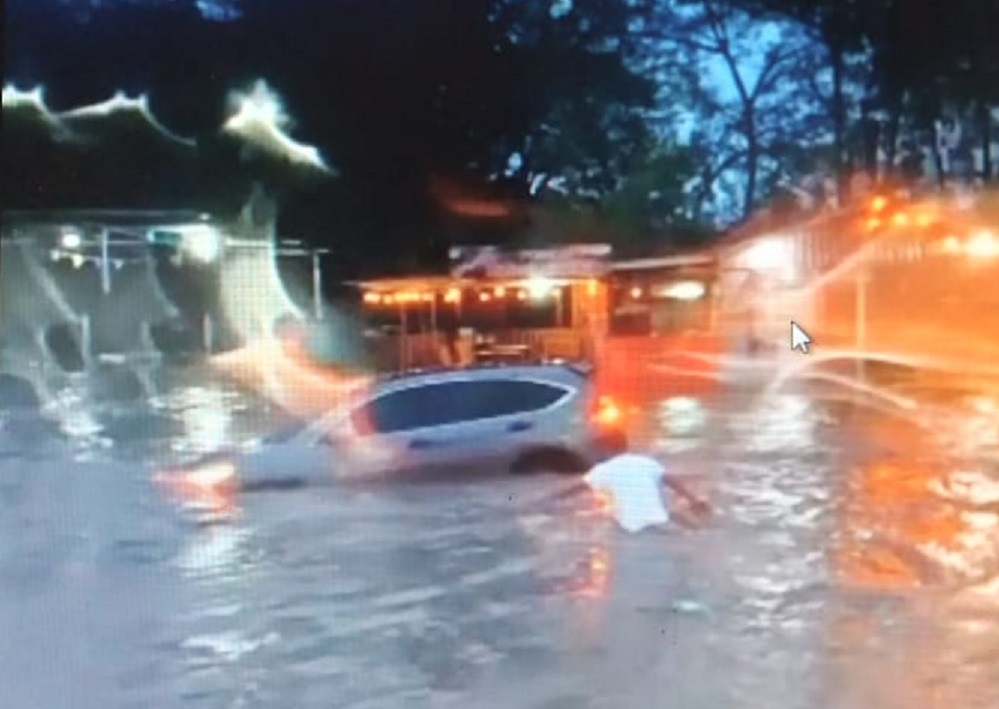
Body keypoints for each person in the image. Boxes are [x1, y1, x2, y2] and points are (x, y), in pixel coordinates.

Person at [554, 429, 710, 532]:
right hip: (659, 522)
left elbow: (575, 489)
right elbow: (672, 481)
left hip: (633, 530)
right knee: (673, 518)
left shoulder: (604, 469)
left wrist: (548, 500)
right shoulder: (645, 462)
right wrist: (693, 500)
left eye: (597, 449)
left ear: (606, 449)